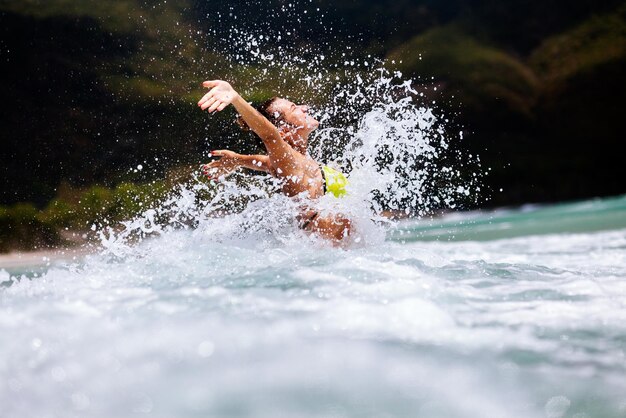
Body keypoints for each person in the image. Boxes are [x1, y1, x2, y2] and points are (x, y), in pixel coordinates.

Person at [197, 80, 351, 243]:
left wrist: (238, 160)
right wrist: (236, 98)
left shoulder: (293, 163)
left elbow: (263, 161)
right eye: (294, 108)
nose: (304, 107)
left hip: (342, 258)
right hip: (329, 257)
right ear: (284, 131)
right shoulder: (289, 163)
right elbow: (269, 135)